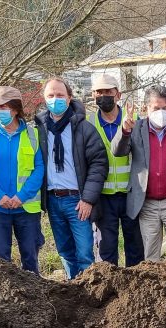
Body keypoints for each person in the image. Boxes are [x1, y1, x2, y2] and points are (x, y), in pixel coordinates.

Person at [112, 84, 166, 261]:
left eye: (164, 108)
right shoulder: (135, 128)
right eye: (156, 108)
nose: (161, 112)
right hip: (147, 204)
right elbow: (118, 151)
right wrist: (125, 131)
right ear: (146, 108)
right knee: (151, 255)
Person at [33, 77, 108, 279]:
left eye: (60, 95)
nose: (55, 99)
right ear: (44, 98)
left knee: (84, 252)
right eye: (51, 95)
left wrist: (88, 199)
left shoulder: (84, 128)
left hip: (78, 201)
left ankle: (89, 294)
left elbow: (99, 164)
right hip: (53, 199)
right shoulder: (39, 129)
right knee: (65, 251)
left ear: (69, 98)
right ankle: (73, 288)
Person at [0, 86, 44, 274]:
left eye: (3, 107)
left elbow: (39, 169)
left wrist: (21, 196)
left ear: (15, 110)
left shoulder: (33, 135)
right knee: (0, 259)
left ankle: (33, 298)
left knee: (30, 256)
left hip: (26, 208)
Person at [88, 74, 143, 267]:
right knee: (106, 250)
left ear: (118, 94)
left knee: (136, 247)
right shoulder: (88, 124)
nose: (103, 96)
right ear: (93, 95)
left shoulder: (136, 120)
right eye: (99, 92)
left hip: (131, 194)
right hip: (103, 197)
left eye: (108, 92)